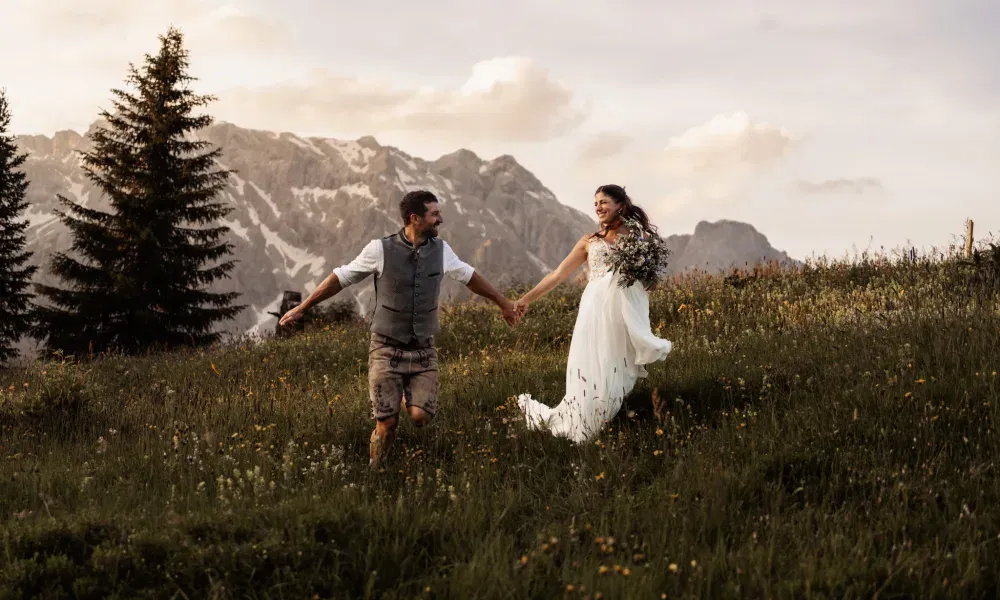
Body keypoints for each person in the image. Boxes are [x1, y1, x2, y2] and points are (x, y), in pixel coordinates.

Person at [280, 190, 520, 468]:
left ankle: (406, 394)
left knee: (420, 417)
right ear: (414, 218)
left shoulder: (442, 251)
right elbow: (340, 278)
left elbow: (470, 277)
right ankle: (376, 472)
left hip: (423, 350)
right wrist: (303, 307)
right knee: (387, 424)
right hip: (385, 348)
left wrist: (503, 303)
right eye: (435, 214)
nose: (440, 219)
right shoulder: (379, 250)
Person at [511, 184, 672, 442]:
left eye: (603, 202)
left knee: (617, 363)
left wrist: (641, 270)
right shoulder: (589, 241)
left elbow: (651, 283)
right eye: (595, 203)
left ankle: (607, 410)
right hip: (594, 309)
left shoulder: (637, 239)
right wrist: (525, 300)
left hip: (622, 310)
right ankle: (586, 418)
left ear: (620, 205)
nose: (598, 207)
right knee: (590, 361)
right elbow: (558, 274)